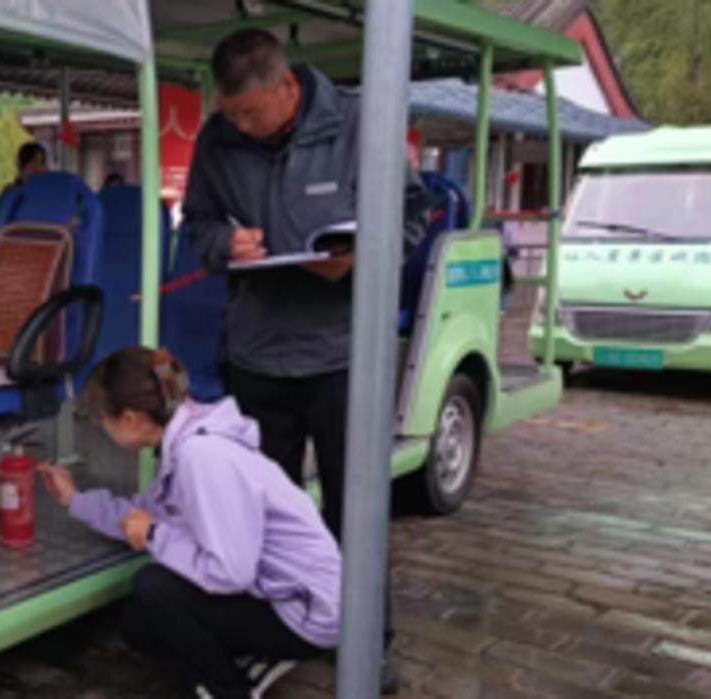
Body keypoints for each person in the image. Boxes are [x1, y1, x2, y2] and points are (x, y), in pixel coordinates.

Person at [180, 28, 429, 694]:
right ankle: (275, 635)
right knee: (262, 514)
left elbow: (412, 211)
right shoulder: (217, 140)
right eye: (231, 113)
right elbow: (196, 222)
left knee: (357, 508)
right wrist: (224, 243)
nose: (240, 125)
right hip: (258, 354)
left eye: (251, 112)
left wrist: (361, 258)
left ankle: (366, 642)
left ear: (287, 86)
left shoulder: (360, 124)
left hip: (344, 355)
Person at [38, 347, 342, 699]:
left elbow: (231, 573)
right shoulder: (191, 435)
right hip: (286, 595)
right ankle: (250, 655)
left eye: (102, 420)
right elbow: (149, 510)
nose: (101, 428)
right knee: (139, 625)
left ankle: (230, 690)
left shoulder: (202, 457)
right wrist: (75, 500)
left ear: (131, 419)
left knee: (155, 588)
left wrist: (154, 535)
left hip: (305, 614)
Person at [0, 141, 49, 239]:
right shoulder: (7, 198)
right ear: (21, 166)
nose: (39, 168)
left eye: (42, 163)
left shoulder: (50, 199)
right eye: (34, 162)